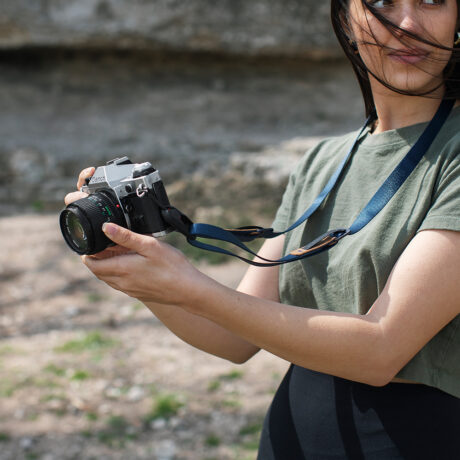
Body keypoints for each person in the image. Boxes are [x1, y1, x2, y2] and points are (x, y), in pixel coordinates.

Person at [65, 0, 460, 458]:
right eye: (383, 1)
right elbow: (234, 338)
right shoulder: (323, 161)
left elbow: (381, 350)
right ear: (346, 19)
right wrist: (139, 269)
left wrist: (190, 286)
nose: (408, 24)